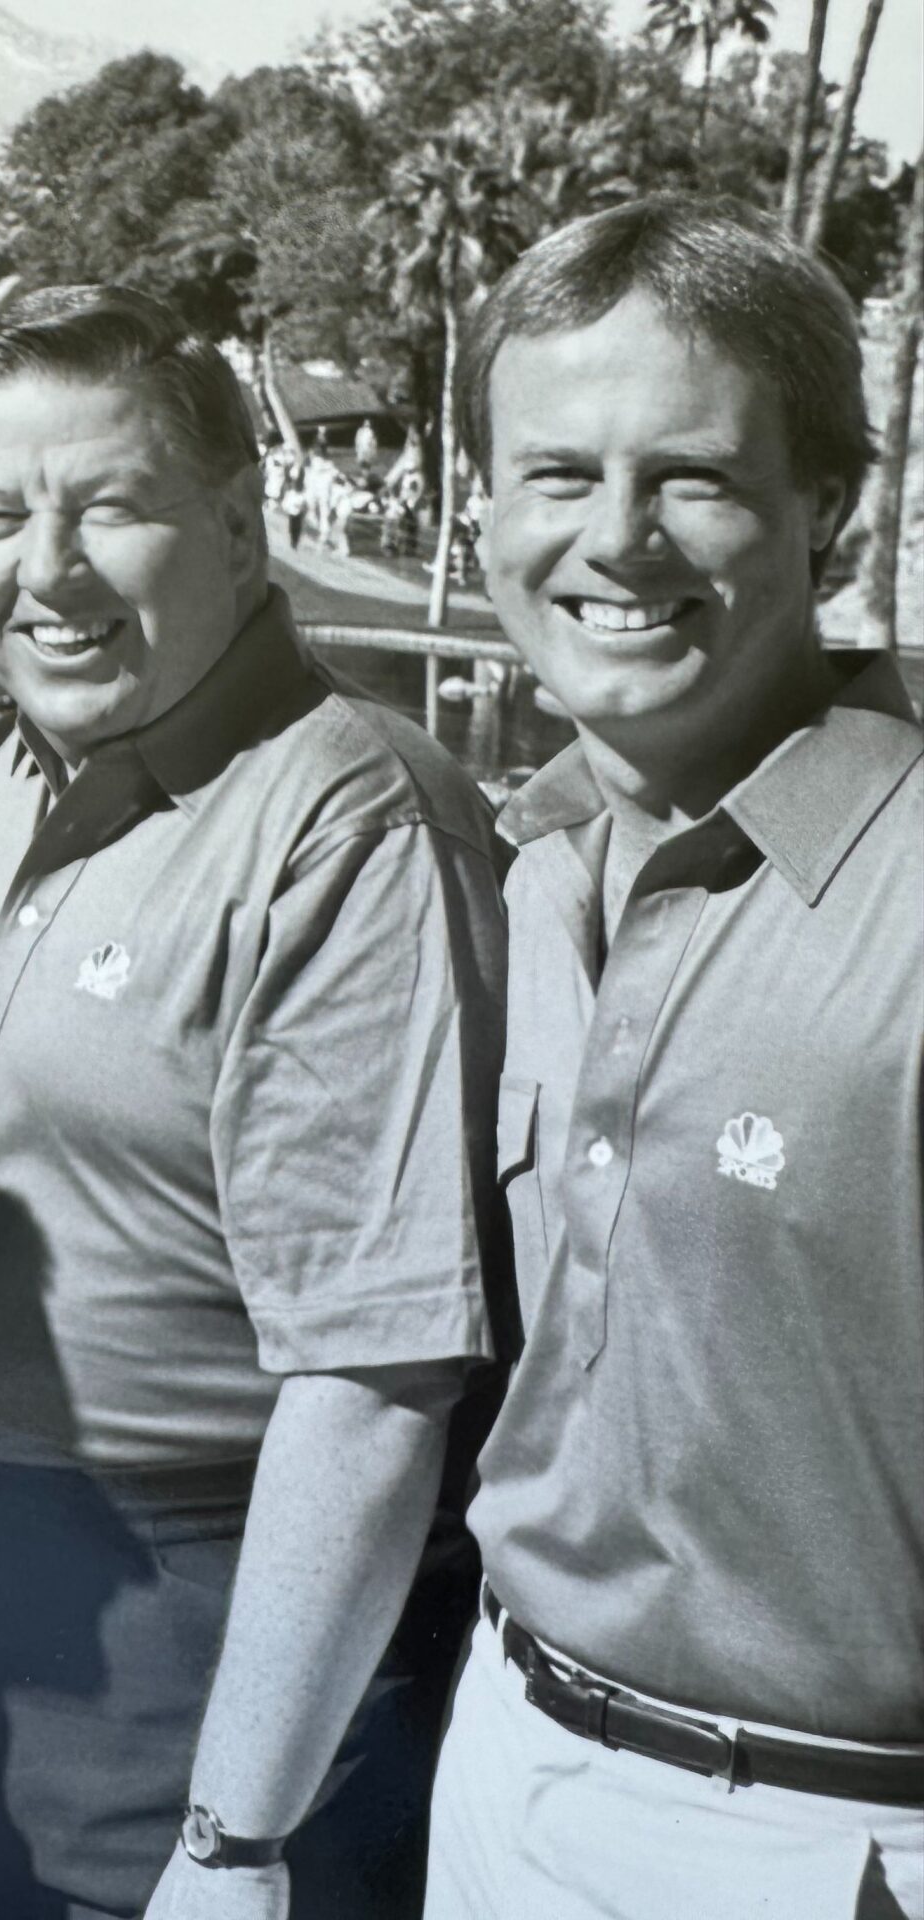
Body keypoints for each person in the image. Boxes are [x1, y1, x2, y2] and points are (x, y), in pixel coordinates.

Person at [0, 284, 506, 1920]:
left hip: (210, 1644)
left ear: (238, 521)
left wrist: (238, 1836)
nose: (47, 569)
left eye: (112, 507)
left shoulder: (347, 814)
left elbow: (374, 1375)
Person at [425, 195, 924, 1920]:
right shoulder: (521, 856)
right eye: (558, 473)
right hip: (502, 1754)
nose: (615, 539)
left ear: (833, 513)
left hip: (821, 1837)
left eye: (692, 478)